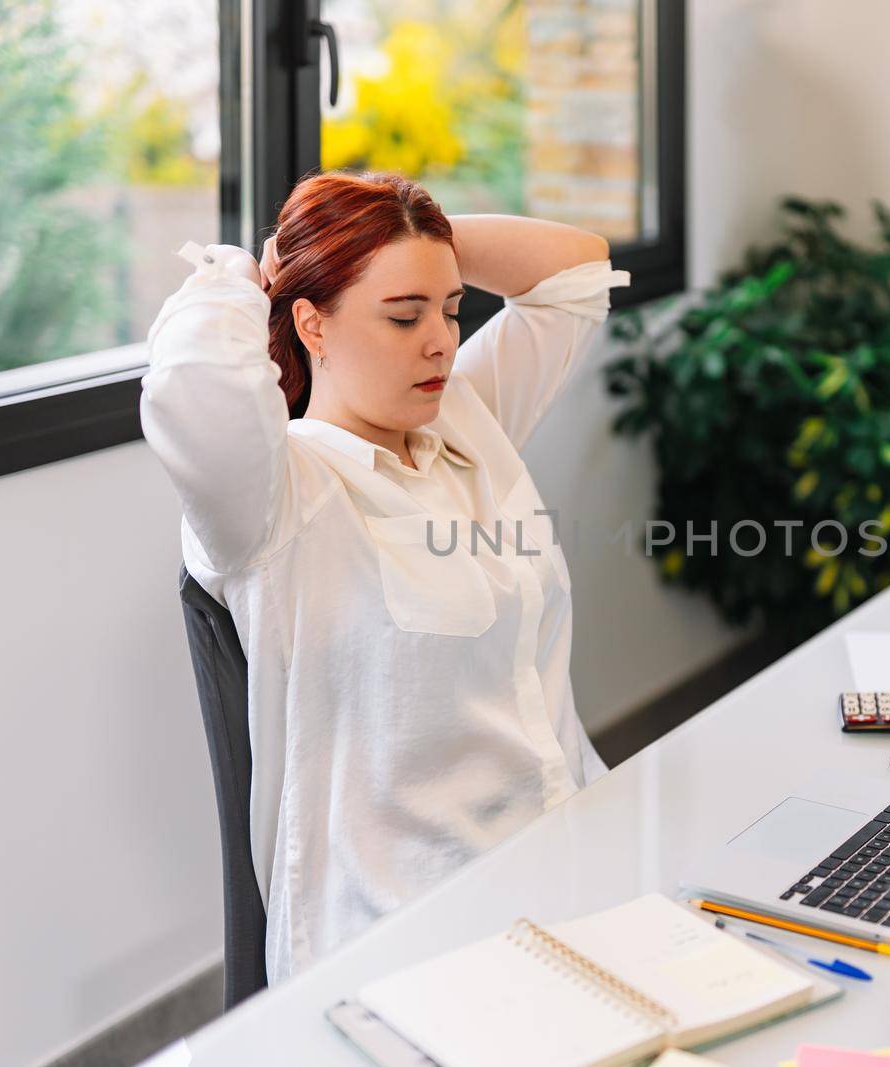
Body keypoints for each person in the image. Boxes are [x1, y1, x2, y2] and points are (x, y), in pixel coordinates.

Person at [140, 170, 631, 982]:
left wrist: (411, 240)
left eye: (449, 309)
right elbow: (195, 381)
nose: (439, 339)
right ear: (312, 324)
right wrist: (257, 272)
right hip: (409, 931)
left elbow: (575, 273)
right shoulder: (272, 499)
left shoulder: (466, 421)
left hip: (569, 860)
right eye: (403, 315)